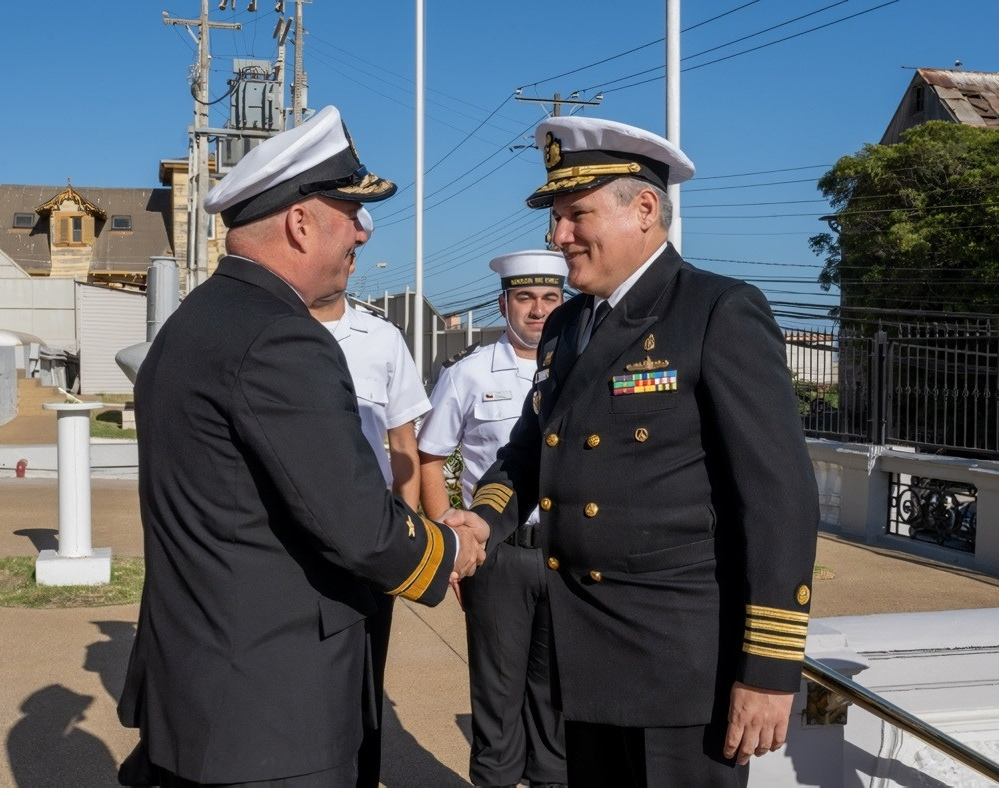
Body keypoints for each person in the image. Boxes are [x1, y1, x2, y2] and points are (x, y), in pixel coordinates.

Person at [117, 105, 483, 787]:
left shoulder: (191, 325)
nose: (360, 238)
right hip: (270, 723)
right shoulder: (283, 340)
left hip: (201, 701)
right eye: (349, 214)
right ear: (300, 222)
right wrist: (451, 547)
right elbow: (357, 528)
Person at [452, 115, 820, 786]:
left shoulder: (716, 311)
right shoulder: (568, 324)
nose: (559, 236)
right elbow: (534, 446)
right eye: (557, 219)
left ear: (645, 209)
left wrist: (767, 671)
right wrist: (484, 518)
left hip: (678, 668)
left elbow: (779, 499)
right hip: (585, 653)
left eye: (576, 215)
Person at [418, 250, 568, 788]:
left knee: (557, 695)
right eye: (525, 298)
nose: (538, 310)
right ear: (503, 303)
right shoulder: (469, 372)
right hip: (497, 553)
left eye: (551, 297)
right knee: (498, 694)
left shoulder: (582, 365)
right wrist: (451, 547)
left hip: (566, 552)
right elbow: (430, 457)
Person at [308, 206, 431, 788]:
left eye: (354, 254)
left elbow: (403, 444)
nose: (347, 262)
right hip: (297, 539)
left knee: (365, 676)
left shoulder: (381, 339)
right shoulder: (277, 332)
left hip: (368, 536)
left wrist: (402, 532)